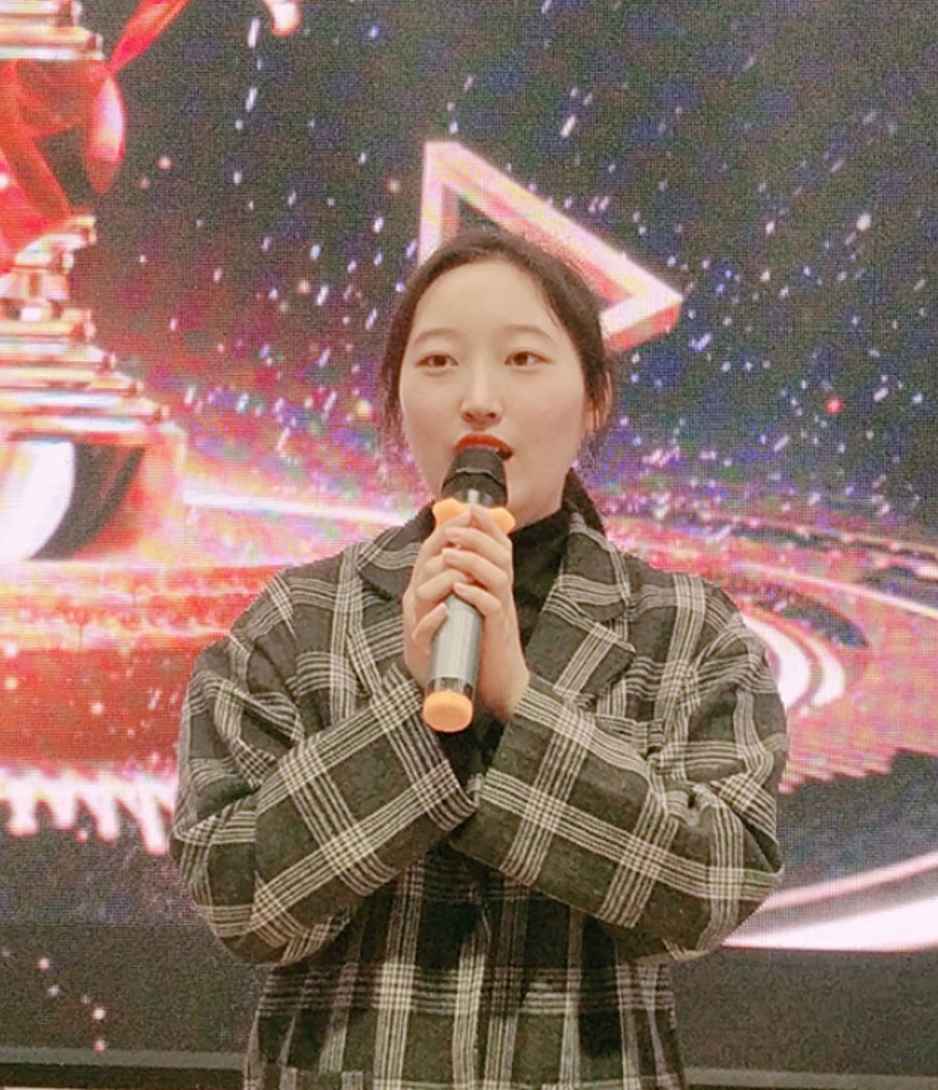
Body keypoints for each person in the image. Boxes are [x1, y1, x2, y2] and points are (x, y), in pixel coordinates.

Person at [174, 225, 788, 1090]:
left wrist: (520, 701)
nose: (478, 399)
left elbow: (713, 887)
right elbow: (238, 898)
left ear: (595, 397)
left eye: (524, 359)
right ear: (398, 399)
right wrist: (411, 716)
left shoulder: (687, 630)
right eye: (437, 363)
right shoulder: (295, 620)